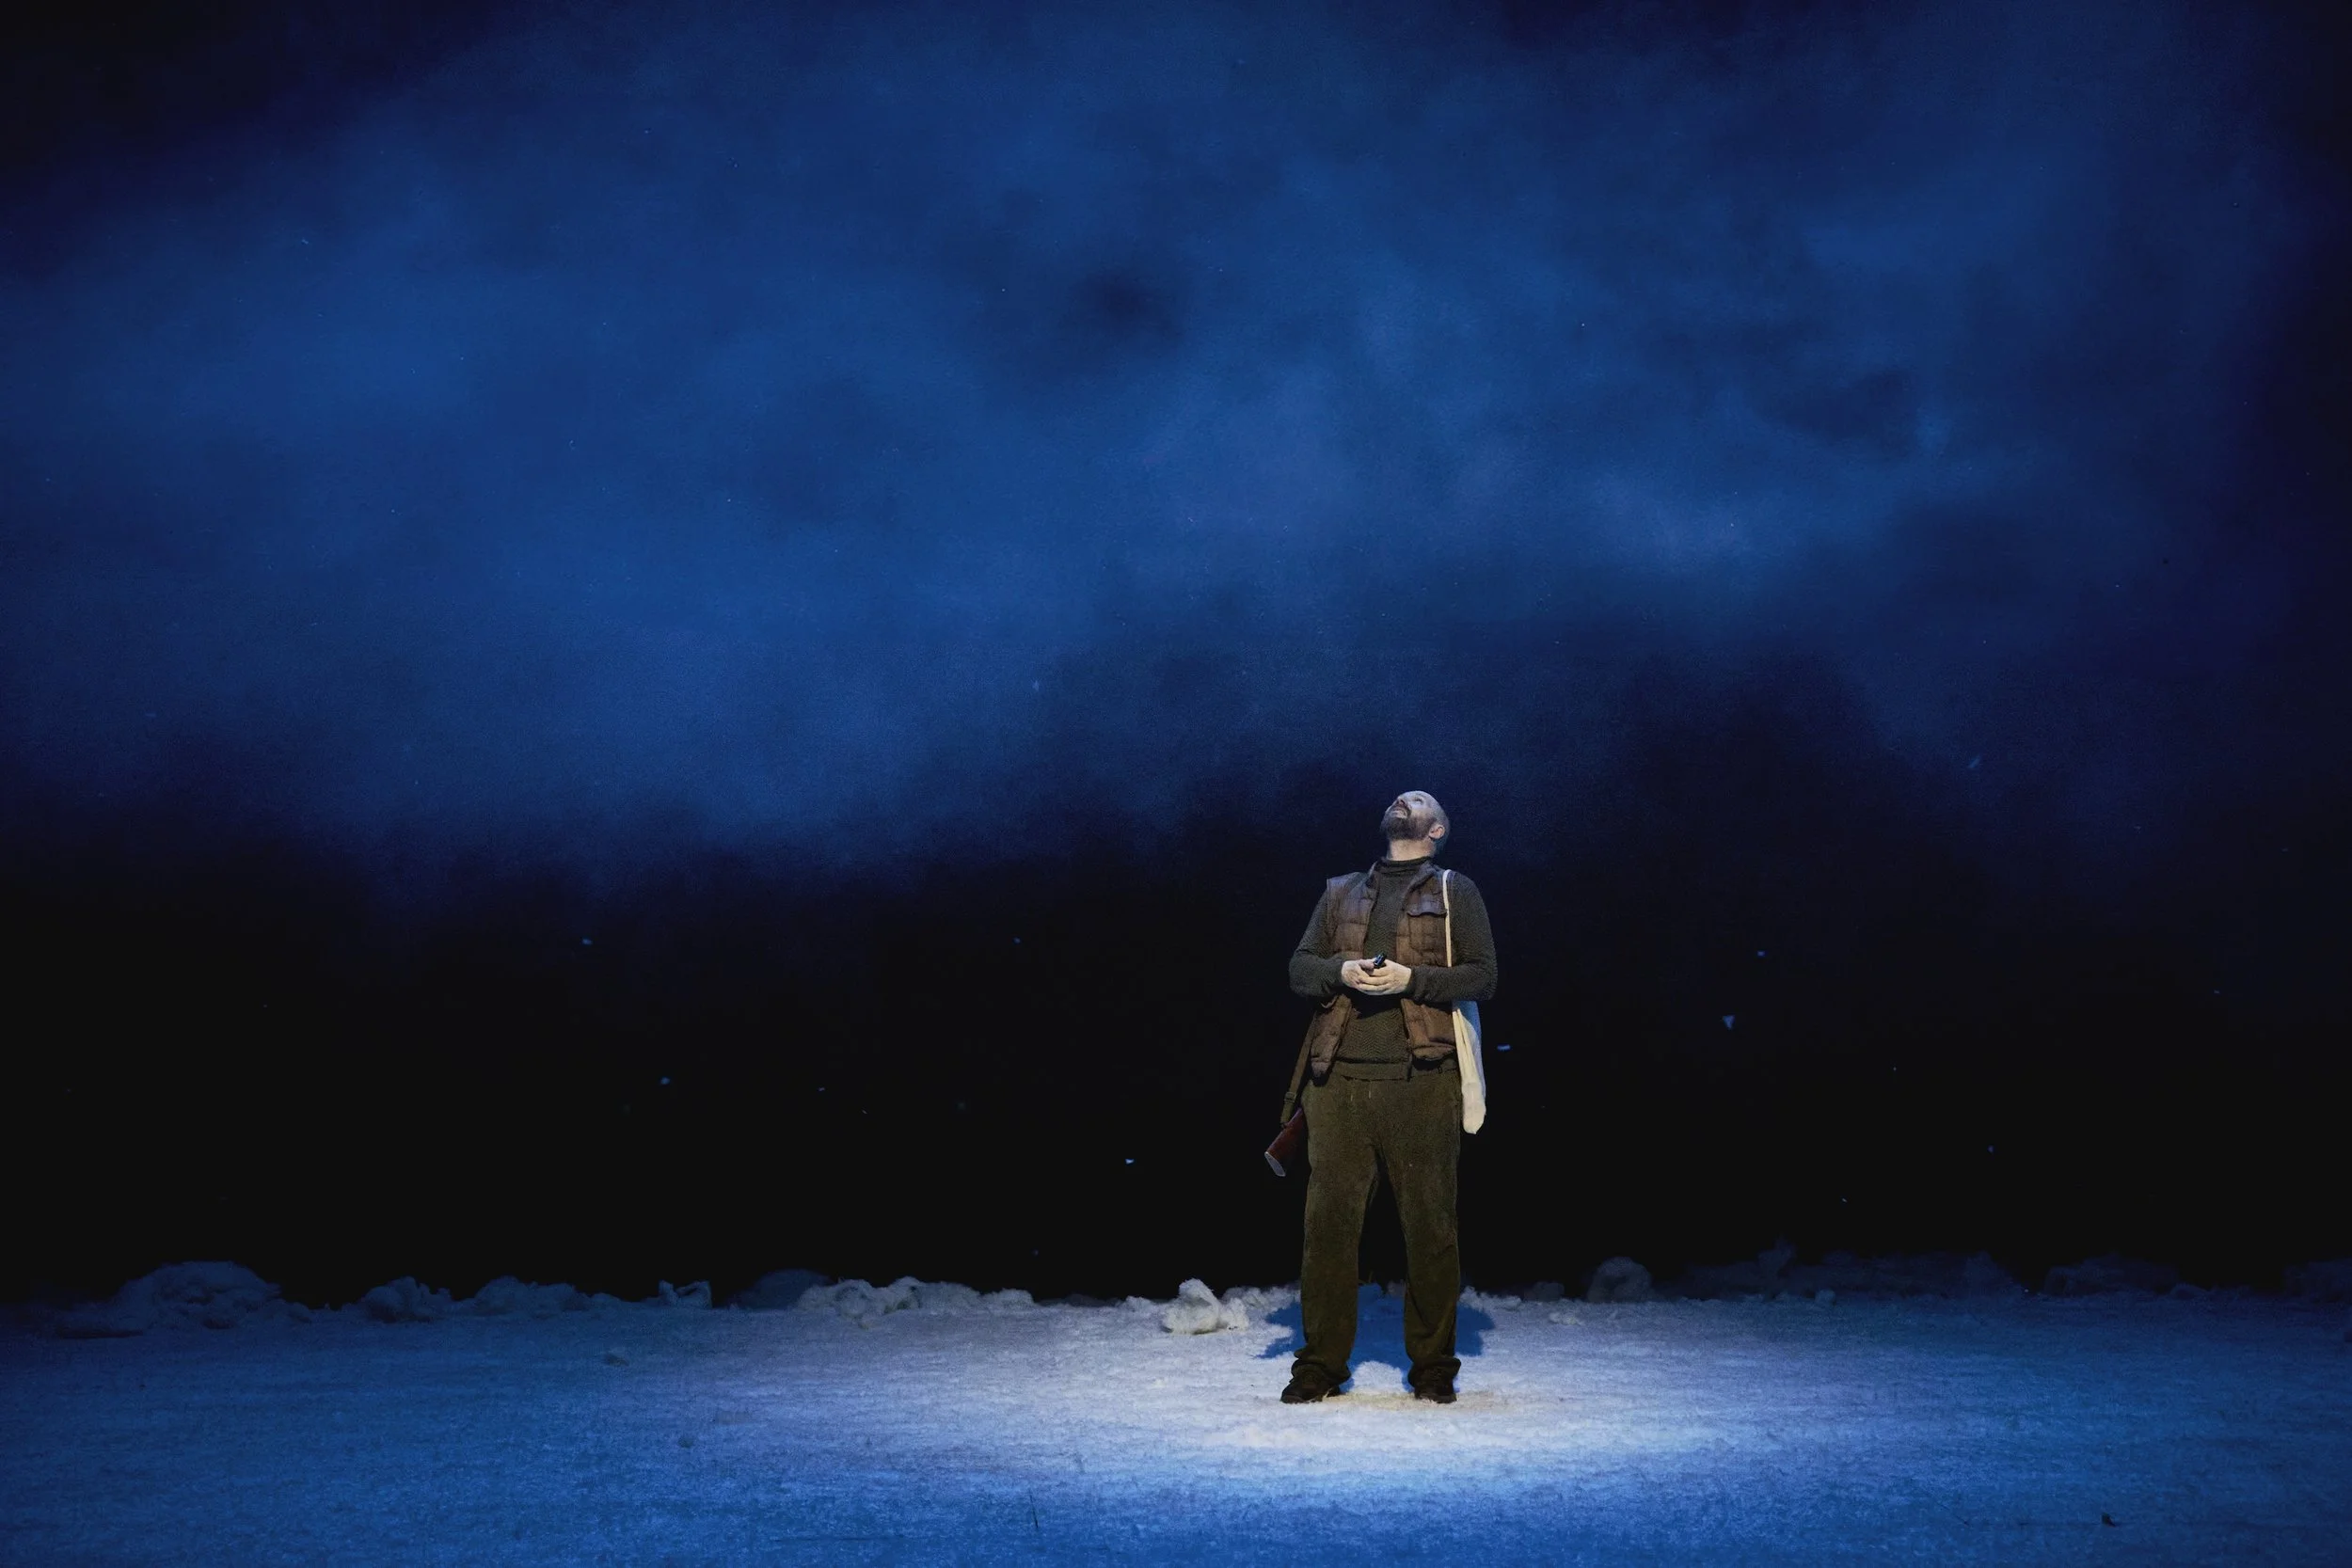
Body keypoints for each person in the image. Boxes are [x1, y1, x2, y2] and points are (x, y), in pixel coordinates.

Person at [1280, 790, 1497, 1404]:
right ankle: (1319, 1366)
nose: (1407, 798)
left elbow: (1484, 975)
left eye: (1421, 799)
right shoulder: (1340, 891)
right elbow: (1299, 968)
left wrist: (1412, 980)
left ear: (1437, 829)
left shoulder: (1455, 892)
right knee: (1327, 1230)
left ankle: (1433, 1367)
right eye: (1402, 796)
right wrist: (1341, 971)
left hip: (1422, 1080)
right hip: (1338, 1083)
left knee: (1430, 1228)